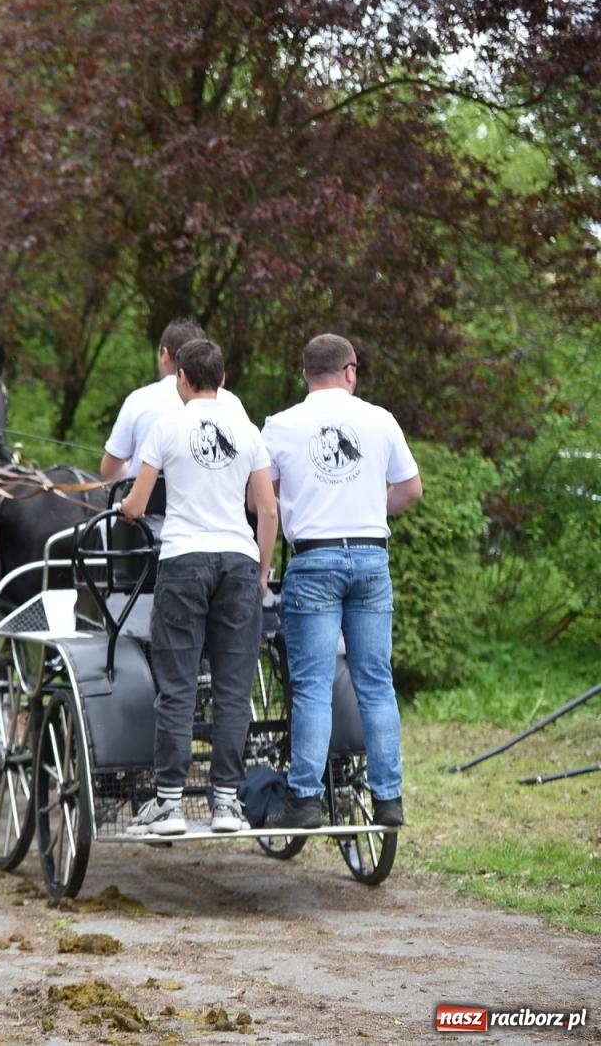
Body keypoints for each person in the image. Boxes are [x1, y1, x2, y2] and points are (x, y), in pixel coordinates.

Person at [260, 333, 422, 829]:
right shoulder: (380, 420)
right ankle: (389, 799)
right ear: (350, 371)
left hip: (313, 561)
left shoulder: (280, 425)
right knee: (376, 683)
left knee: (311, 687)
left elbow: (260, 500)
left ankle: (305, 799)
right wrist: (372, 508)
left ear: (306, 374)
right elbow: (411, 489)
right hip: (372, 559)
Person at [117, 339, 278, 834]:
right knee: (233, 688)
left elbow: (138, 505)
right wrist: (262, 571)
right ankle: (227, 803)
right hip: (237, 560)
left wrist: (126, 508)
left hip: (184, 560)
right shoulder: (247, 430)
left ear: (181, 379)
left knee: (178, 685)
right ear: (223, 380)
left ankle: (168, 803)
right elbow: (267, 509)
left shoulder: (167, 426)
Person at [100, 318, 248, 484]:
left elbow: (109, 471)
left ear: (164, 354)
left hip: (147, 506)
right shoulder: (233, 404)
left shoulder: (139, 400)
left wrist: (134, 467)